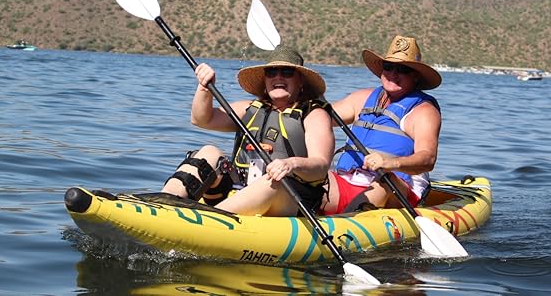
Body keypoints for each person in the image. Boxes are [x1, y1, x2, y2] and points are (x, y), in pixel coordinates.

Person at [161, 46, 335, 217]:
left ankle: (208, 221)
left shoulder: (314, 115)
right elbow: (202, 120)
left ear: (300, 81)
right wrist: (205, 89)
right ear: (265, 80)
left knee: (273, 182)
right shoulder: (249, 109)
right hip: (239, 191)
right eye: (271, 72)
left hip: (290, 200)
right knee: (209, 152)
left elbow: (320, 166)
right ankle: (164, 205)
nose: (278, 77)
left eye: (287, 72)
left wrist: (291, 164)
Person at [319, 35, 443, 215]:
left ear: (416, 76)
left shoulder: (423, 112)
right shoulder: (361, 98)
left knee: (384, 181)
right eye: (388, 67)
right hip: (349, 181)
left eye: (402, 69)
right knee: (309, 178)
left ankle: (349, 222)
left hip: (396, 189)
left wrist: (391, 163)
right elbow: (320, 118)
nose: (393, 73)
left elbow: (427, 159)